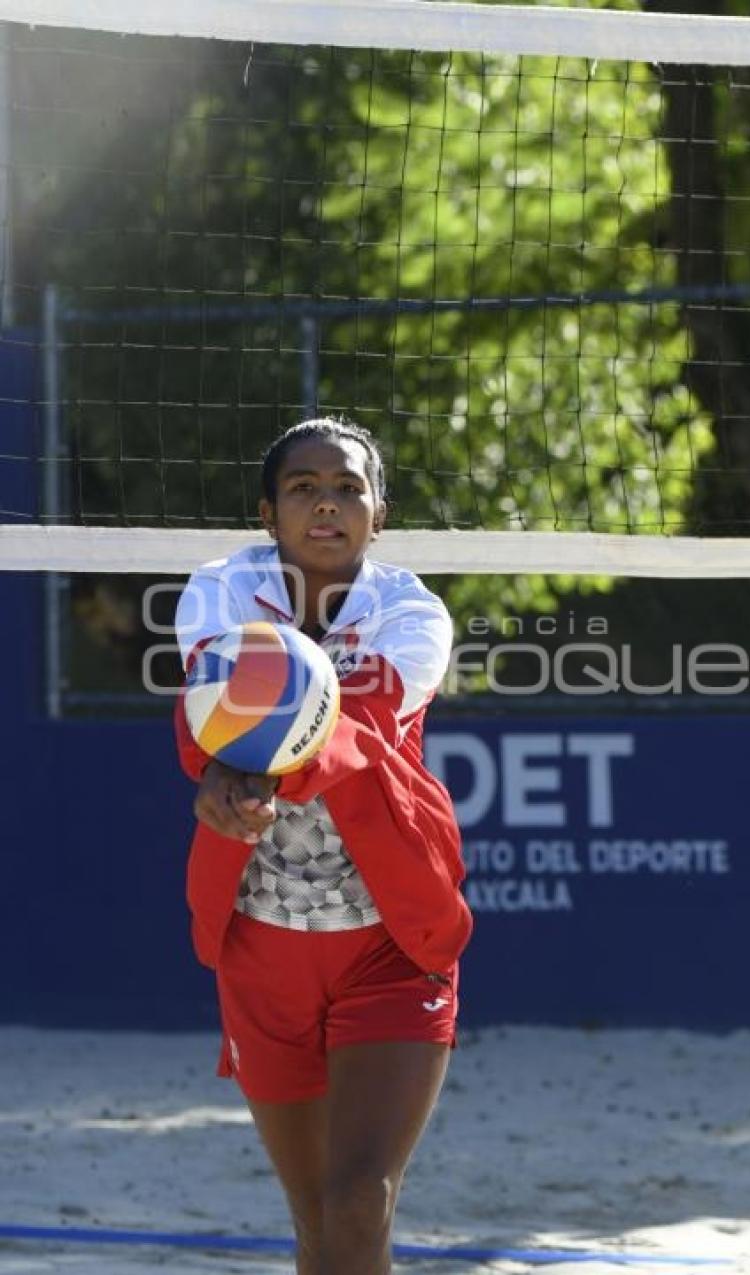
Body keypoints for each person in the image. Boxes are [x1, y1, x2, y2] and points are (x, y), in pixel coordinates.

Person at [173, 417, 473, 1275]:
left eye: (348, 487)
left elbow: (355, 728)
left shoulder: (413, 613)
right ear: (268, 512)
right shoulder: (220, 590)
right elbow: (206, 708)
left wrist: (237, 778)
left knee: (357, 1201)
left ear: (380, 513)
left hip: (391, 936)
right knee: (318, 1227)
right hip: (262, 941)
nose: (328, 503)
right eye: (305, 487)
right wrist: (213, 771)